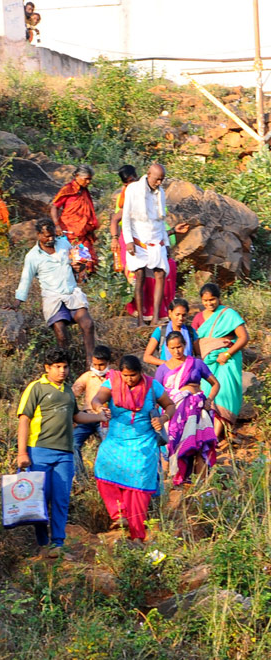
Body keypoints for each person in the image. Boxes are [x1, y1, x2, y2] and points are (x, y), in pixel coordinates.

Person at [17, 348, 109, 557]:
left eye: (65, 367)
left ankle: (57, 543)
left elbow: (76, 417)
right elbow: (24, 420)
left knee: (61, 499)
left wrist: (99, 417)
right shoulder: (36, 388)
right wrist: (22, 452)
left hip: (65, 454)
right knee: (40, 499)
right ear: (47, 368)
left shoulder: (68, 390)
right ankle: (42, 543)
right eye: (57, 367)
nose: (62, 371)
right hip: (38, 450)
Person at [92, 356, 175, 540]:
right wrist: (99, 409)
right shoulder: (112, 383)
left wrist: (163, 419)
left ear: (141, 373)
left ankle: (137, 534)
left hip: (143, 443)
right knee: (102, 467)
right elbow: (97, 399)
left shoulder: (152, 386)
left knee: (138, 485)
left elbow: (169, 405)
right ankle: (119, 516)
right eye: (126, 375)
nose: (129, 379)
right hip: (116, 441)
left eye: (133, 375)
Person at [10, 218, 95, 366]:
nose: (50, 239)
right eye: (46, 236)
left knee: (88, 324)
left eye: (53, 236)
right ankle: (65, 367)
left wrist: (79, 268)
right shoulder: (33, 257)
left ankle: (91, 363)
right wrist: (18, 302)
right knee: (61, 335)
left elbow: (75, 262)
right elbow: (26, 279)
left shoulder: (63, 244)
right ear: (38, 235)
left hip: (71, 293)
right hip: (53, 298)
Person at [154, 333, 219, 485]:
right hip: (174, 414)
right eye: (173, 348)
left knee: (200, 445)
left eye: (179, 347)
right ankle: (177, 483)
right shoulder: (162, 369)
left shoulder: (196, 363)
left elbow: (215, 383)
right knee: (175, 446)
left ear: (185, 345)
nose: (176, 351)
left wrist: (209, 400)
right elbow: (156, 395)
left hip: (197, 411)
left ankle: (202, 488)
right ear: (167, 348)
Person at [192, 283, 249, 438]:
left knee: (224, 392)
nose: (209, 303)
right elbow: (195, 340)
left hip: (227, 360)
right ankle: (206, 435)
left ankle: (215, 438)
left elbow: (244, 337)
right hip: (207, 361)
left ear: (219, 298)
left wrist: (227, 354)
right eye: (205, 300)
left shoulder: (229, 314)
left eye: (212, 299)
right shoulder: (198, 317)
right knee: (207, 394)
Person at [122, 163, 170, 327]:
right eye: (157, 179)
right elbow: (126, 217)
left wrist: (167, 243)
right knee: (140, 275)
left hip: (156, 239)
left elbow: (161, 220)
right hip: (137, 239)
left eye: (161, 180)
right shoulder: (133, 189)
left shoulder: (161, 193)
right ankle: (140, 320)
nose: (159, 183)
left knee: (160, 274)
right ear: (148, 174)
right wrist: (128, 240)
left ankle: (155, 318)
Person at [51, 165, 99, 277]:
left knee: (88, 261)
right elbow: (54, 207)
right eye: (86, 179)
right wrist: (56, 225)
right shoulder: (68, 189)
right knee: (71, 261)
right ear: (77, 176)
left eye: (90, 179)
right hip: (69, 232)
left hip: (84, 232)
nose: (88, 182)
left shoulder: (85, 191)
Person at [72, 345, 113, 477]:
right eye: (95, 364)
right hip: (87, 417)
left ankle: (107, 477)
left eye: (101, 365)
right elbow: (72, 394)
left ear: (108, 363)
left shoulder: (115, 377)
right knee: (72, 443)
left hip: (107, 419)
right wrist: (72, 415)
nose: (97, 368)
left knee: (109, 447)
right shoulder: (88, 376)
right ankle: (80, 478)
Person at [143, 297, 200, 367]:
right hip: (167, 373)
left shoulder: (190, 332)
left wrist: (191, 364)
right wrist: (168, 364)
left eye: (183, 315)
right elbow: (147, 357)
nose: (180, 318)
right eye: (177, 314)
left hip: (187, 372)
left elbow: (198, 354)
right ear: (170, 313)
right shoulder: (161, 331)